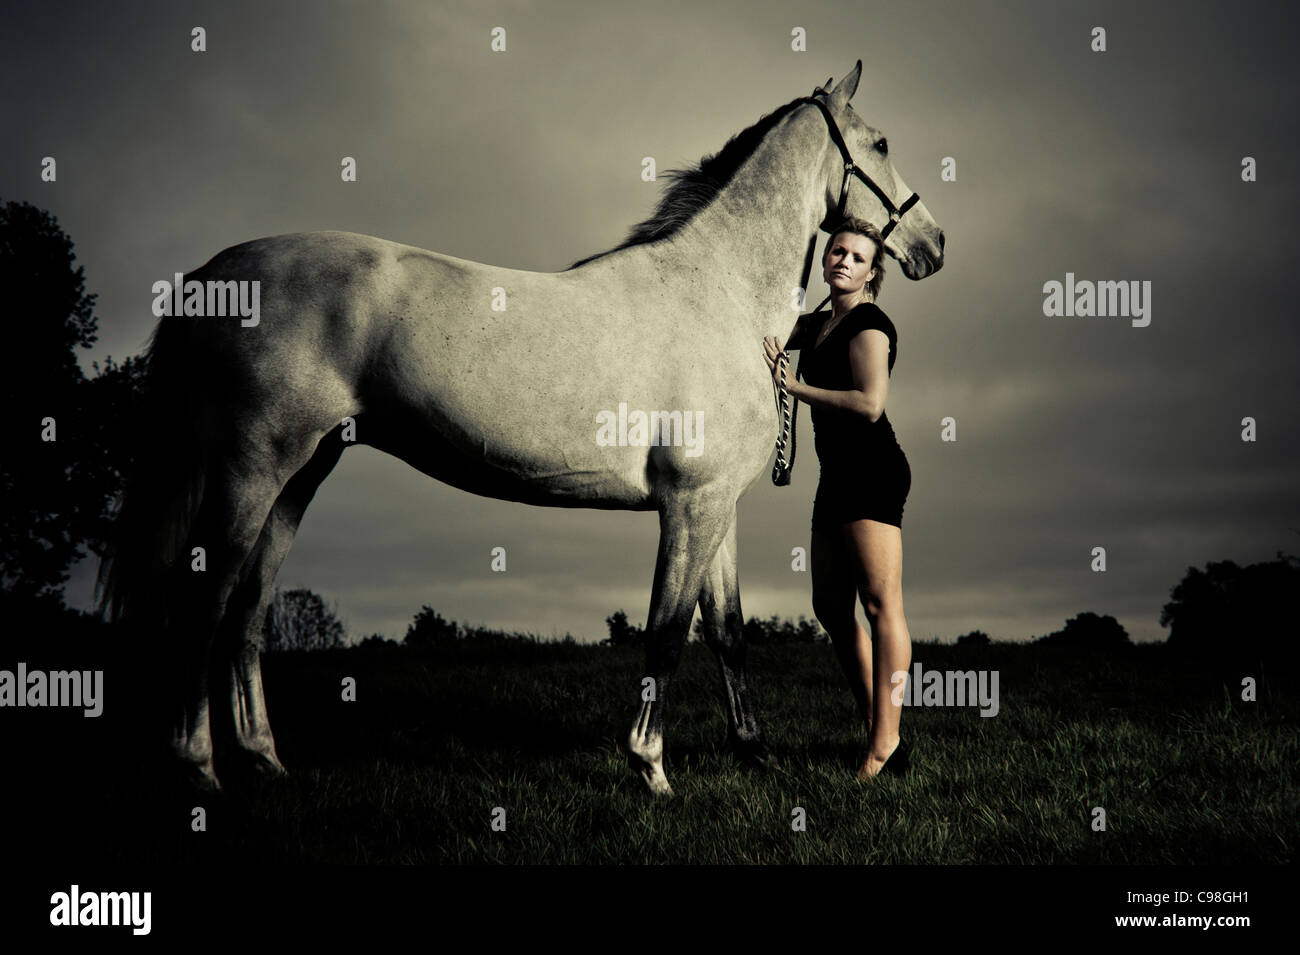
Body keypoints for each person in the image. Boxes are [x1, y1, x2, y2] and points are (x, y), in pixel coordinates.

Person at [762, 217, 914, 779]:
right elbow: (768, 328)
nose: (843, 261)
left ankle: (882, 745)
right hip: (834, 475)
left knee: (880, 605)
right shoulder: (819, 324)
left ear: (873, 272)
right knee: (830, 607)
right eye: (835, 252)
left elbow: (870, 403)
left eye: (856, 257)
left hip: (873, 470)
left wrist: (797, 390)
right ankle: (879, 720)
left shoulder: (870, 324)